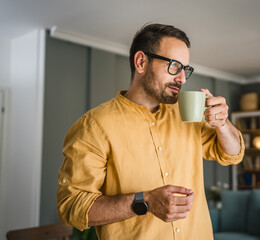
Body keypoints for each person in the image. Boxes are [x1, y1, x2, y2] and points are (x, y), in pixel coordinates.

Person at [57, 23, 244, 240]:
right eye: (174, 66)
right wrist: (143, 202)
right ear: (141, 62)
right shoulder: (94, 125)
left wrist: (223, 123)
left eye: (186, 69)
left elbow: (232, 154)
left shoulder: (185, 114)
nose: (182, 79)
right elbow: (71, 207)